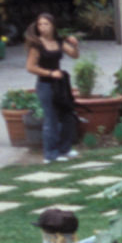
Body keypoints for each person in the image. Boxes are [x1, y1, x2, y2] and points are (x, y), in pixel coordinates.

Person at [23, 13, 80, 163]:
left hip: (59, 85)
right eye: (40, 24)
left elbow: (74, 56)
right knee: (51, 118)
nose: (43, 27)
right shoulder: (37, 45)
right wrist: (50, 73)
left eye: (46, 24)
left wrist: (75, 45)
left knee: (68, 115)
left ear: (53, 26)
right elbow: (30, 67)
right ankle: (50, 154)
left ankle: (65, 148)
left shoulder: (58, 42)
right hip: (45, 85)